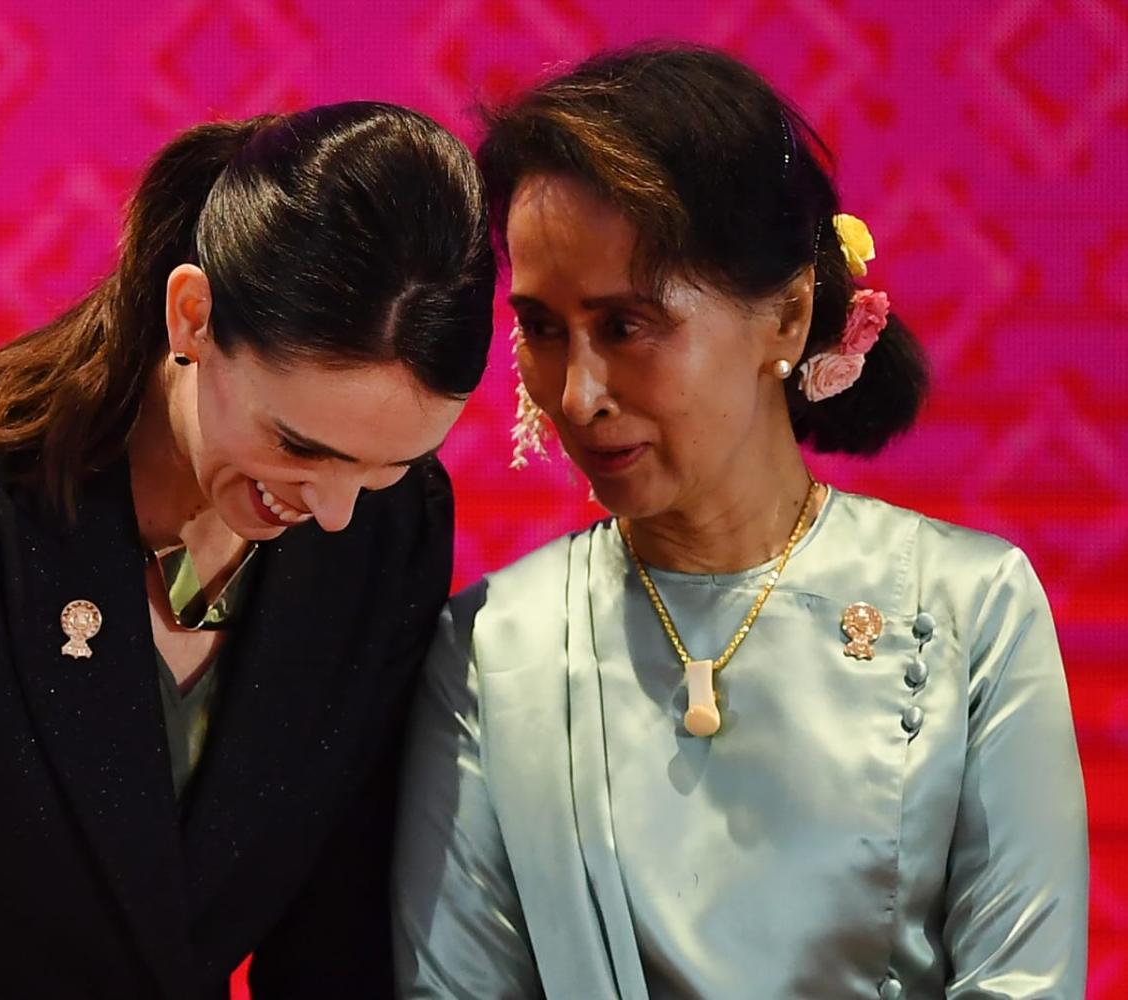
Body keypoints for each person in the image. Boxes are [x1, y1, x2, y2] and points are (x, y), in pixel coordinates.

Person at [0, 101, 494, 999]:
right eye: (301, 445)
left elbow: (331, 953)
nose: (338, 509)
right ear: (193, 316)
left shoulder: (393, 531)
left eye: (388, 464)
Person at [392, 46, 1087, 999]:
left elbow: (1025, 978)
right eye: (544, 330)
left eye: (627, 326)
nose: (578, 393)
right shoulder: (495, 646)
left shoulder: (969, 608)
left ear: (790, 318)